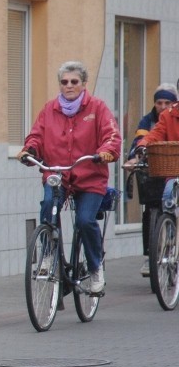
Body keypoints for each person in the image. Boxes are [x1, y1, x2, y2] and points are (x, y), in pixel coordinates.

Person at [16, 60, 121, 295]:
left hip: (90, 176)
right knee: (47, 206)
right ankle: (49, 255)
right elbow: (36, 136)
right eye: (64, 82)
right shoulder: (49, 109)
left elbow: (112, 135)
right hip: (57, 173)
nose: (69, 86)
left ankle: (95, 268)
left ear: (83, 84)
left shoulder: (97, 108)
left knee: (85, 220)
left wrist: (106, 151)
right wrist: (30, 150)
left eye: (74, 82)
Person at [125, 84, 178, 276]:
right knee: (165, 199)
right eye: (159, 102)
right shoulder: (166, 117)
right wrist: (140, 149)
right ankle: (164, 239)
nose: (163, 106)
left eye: (167, 102)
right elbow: (152, 135)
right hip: (170, 170)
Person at [131, 92, 179, 215]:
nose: (163, 106)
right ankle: (169, 230)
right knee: (169, 194)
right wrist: (142, 145)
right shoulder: (168, 115)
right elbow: (155, 134)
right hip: (174, 170)